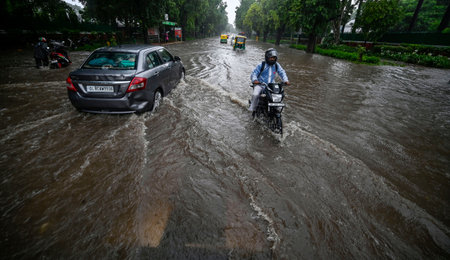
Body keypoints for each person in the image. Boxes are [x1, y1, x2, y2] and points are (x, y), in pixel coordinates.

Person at [249, 48, 290, 116]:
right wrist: (255, 80)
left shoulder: (276, 65)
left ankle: (276, 109)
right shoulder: (261, 65)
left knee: (279, 94)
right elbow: (254, 74)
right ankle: (253, 109)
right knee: (255, 94)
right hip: (260, 84)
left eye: (274, 58)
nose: (272, 59)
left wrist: (285, 80)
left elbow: (282, 72)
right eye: (271, 58)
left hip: (271, 85)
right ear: (267, 57)